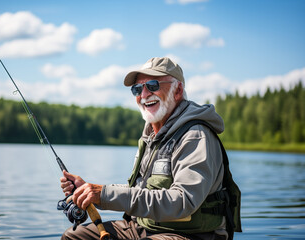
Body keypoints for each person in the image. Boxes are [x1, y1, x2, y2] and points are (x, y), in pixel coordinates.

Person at [60, 57, 241, 240]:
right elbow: (140, 190)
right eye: (137, 89)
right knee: (74, 236)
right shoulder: (150, 136)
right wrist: (90, 192)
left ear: (177, 90)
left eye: (153, 85)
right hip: (144, 227)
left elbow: (181, 202)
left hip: (193, 235)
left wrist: (104, 195)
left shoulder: (195, 135)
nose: (144, 94)